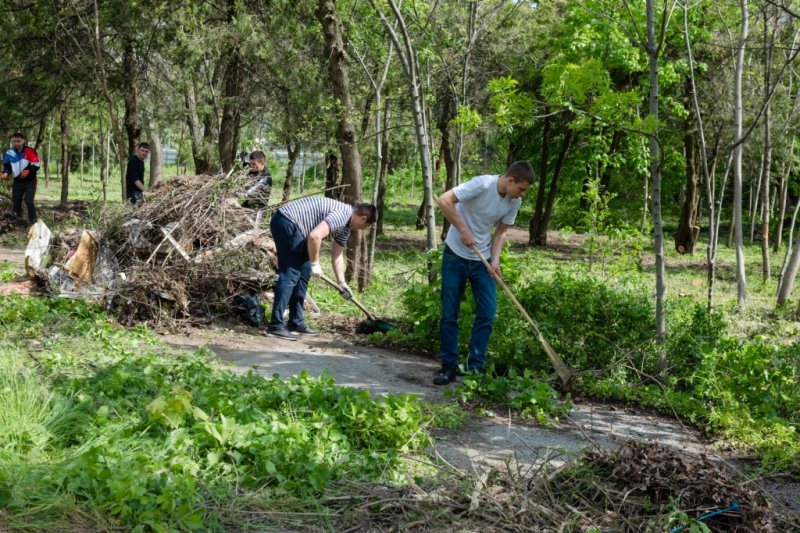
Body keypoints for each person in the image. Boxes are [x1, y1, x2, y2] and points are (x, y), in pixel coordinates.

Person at [433, 161, 536, 385]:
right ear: (510, 181)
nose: (522, 195)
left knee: (487, 313)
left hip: (482, 260)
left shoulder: (513, 202)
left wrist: (495, 260)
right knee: (450, 313)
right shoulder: (482, 184)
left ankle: (474, 369)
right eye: (521, 189)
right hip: (455, 256)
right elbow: (444, 199)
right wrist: (462, 230)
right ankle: (448, 366)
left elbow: (501, 231)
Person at [268, 197, 376, 340]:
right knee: (291, 273)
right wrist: (315, 263)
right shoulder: (343, 214)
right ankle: (275, 326)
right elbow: (315, 236)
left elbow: (337, 255)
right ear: (363, 219)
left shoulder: (346, 227)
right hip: (287, 221)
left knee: (303, 274)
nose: (363, 229)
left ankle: (295, 322)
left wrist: (341, 283)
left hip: (298, 228)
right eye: (366, 226)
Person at [1, 132, 40, 224]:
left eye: (18, 141)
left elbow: (36, 165)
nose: (16, 143)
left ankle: (34, 222)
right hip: (17, 181)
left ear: (23, 141)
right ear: (12, 141)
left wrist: (28, 171)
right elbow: (7, 166)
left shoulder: (30, 151)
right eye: (14, 141)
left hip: (30, 181)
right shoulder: (9, 153)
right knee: (16, 203)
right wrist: (6, 173)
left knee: (29, 201)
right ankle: (18, 222)